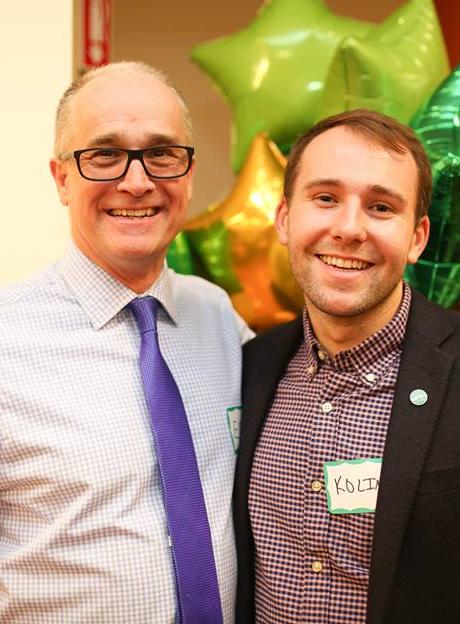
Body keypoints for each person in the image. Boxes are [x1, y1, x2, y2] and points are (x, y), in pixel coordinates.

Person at [0, 61, 252, 623]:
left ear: (188, 173)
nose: (136, 182)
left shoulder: (218, 319)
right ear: (61, 178)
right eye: (105, 154)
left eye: (162, 152)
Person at [234, 109, 460, 624]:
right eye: (326, 198)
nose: (349, 228)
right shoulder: (250, 368)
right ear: (285, 218)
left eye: (381, 207)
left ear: (417, 238)